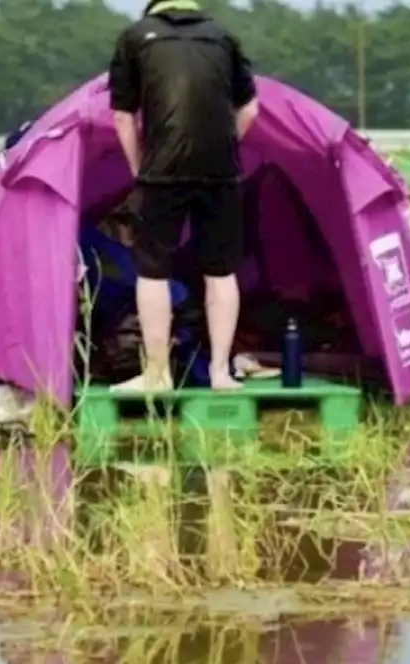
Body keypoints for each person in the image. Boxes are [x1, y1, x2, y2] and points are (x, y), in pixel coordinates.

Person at [107, 0, 260, 392]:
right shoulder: (224, 37)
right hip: (221, 171)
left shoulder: (136, 37)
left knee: (153, 269)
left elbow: (123, 116)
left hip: (162, 170)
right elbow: (250, 109)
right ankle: (222, 373)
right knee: (221, 271)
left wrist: (139, 168)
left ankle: (157, 374)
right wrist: (227, 148)